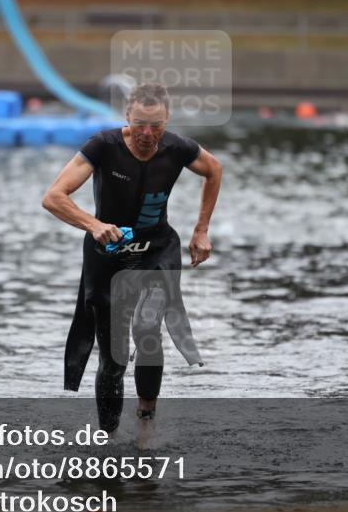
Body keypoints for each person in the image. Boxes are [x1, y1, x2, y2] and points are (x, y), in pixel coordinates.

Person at [42, 83, 223, 432]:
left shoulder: (178, 148)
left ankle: (145, 423)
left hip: (157, 250)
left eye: (156, 125)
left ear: (167, 120)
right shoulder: (103, 147)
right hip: (106, 254)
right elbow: (53, 197)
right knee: (113, 358)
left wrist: (201, 229)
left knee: (147, 328)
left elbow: (214, 169)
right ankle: (108, 438)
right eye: (140, 123)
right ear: (127, 117)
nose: (147, 133)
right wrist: (94, 225)